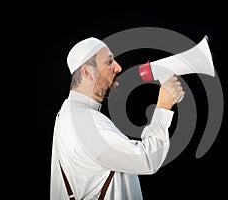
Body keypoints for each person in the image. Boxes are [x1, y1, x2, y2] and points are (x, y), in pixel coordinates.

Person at [50, 37, 184, 200]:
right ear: (87, 72)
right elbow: (148, 159)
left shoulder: (67, 113)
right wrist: (163, 107)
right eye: (109, 62)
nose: (118, 67)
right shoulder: (86, 123)